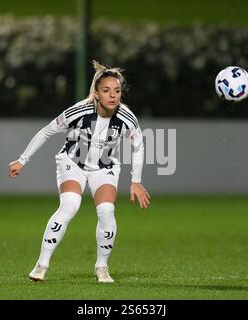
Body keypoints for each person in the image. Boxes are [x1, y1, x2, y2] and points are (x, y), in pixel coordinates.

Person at [8, 60, 151, 283]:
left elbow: (139, 144)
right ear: (96, 94)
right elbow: (46, 132)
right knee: (69, 206)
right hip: (72, 164)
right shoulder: (79, 111)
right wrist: (22, 160)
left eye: (117, 91)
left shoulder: (127, 117)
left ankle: (101, 268)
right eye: (106, 91)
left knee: (106, 212)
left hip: (104, 168)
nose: (113, 96)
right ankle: (41, 265)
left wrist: (136, 181)